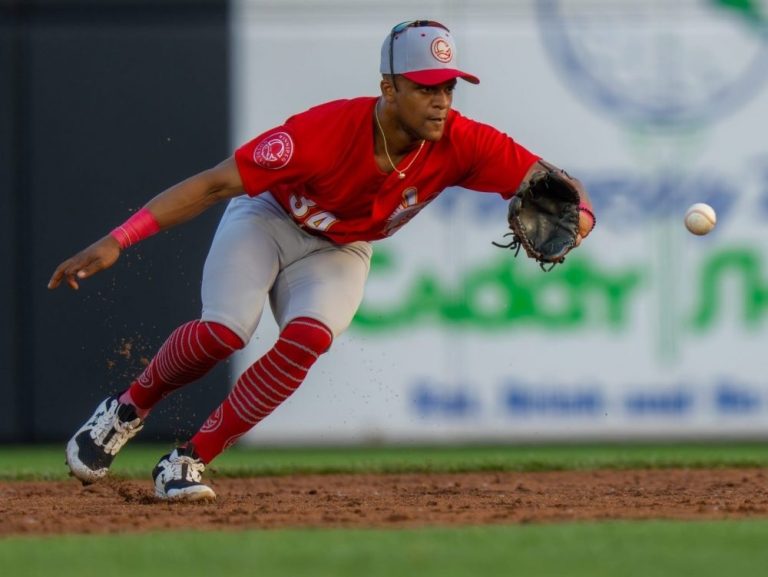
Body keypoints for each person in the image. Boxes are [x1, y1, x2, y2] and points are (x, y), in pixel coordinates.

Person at [48, 20, 595, 501]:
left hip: (341, 248)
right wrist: (121, 238)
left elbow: (559, 187)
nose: (441, 100)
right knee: (225, 332)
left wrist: (582, 220)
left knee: (309, 337)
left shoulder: (464, 143)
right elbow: (215, 183)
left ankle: (188, 459)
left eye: (448, 86)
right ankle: (125, 411)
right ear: (388, 87)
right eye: (425, 86)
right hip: (267, 221)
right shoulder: (321, 132)